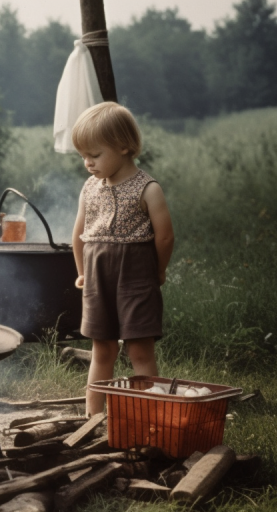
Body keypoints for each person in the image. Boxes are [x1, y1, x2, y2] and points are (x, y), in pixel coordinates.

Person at [70, 102, 175, 417]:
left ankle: (148, 415)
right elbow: (78, 235)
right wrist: (82, 272)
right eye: (83, 156)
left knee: (140, 348)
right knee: (102, 349)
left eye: (95, 155)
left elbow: (165, 236)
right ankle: (94, 416)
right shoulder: (90, 188)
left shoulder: (148, 189)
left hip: (136, 274)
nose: (88, 163)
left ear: (125, 147)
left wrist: (158, 270)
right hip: (98, 276)